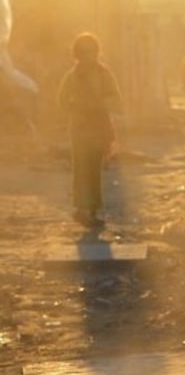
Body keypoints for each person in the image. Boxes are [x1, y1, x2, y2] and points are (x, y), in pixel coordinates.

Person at [57, 32, 122, 228]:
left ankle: (92, 210)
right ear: (77, 54)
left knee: (93, 170)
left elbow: (116, 98)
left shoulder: (103, 74)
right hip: (79, 128)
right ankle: (81, 209)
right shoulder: (72, 76)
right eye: (83, 52)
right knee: (80, 169)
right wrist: (74, 108)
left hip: (98, 127)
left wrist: (99, 104)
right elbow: (61, 100)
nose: (88, 56)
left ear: (97, 52)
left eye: (91, 51)